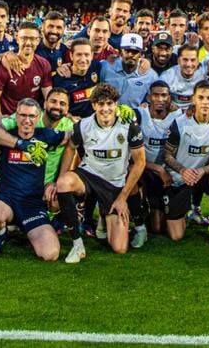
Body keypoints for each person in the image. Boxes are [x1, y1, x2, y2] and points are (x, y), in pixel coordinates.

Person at [56, 84, 146, 263]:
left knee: (119, 248)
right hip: (89, 176)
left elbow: (140, 162)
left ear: (116, 105)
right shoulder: (83, 126)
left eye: (110, 103)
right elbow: (70, 148)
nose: (105, 108)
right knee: (63, 184)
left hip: (114, 183)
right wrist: (61, 176)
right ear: (94, 105)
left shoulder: (129, 126)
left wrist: (122, 198)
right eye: (101, 104)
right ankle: (77, 244)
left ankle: (106, 219)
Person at [0, 98, 69, 260]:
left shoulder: (45, 135)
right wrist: (20, 144)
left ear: (38, 117)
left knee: (50, 254)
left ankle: (28, 231)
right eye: (22, 115)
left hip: (32, 204)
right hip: (7, 200)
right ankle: (0, 233)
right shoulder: (7, 135)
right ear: (16, 116)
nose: (27, 120)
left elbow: (73, 137)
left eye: (31, 116)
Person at [161, 81, 209, 248]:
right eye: (201, 98)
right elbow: (167, 155)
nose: (205, 102)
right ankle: (174, 210)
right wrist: (183, 170)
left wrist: (203, 170)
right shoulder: (180, 123)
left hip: (202, 175)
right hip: (179, 177)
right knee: (176, 235)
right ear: (194, 99)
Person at [137, 80, 177, 238]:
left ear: (169, 99)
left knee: (160, 228)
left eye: (164, 96)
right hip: (145, 170)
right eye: (156, 95)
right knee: (155, 226)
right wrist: (158, 169)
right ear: (149, 97)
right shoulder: (140, 115)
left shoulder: (178, 116)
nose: (160, 99)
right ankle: (139, 208)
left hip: (168, 173)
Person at [0, 20, 52, 119]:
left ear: (38, 41)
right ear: (17, 39)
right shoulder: (5, 65)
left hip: (30, 119)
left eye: (32, 39)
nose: (28, 43)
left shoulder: (43, 64)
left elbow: (48, 95)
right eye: (24, 38)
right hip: (7, 117)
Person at [102, 33, 159, 107]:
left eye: (135, 52)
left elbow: (155, 99)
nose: (130, 55)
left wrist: (146, 105)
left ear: (141, 54)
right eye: (127, 51)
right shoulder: (106, 67)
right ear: (120, 52)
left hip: (134, 116)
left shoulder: (150, 75)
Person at [53, 38, 100, 120]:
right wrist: (69, 116)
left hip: (94, 122)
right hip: (71, 124)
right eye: (79, 54)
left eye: (86, 55)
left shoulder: (97, 67)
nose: (83, 59)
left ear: (92, 55)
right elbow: (55, 106)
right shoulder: (61, 78)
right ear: (71, 56)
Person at [162, 43, 205, 109]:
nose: (189, 64)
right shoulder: (167, 76)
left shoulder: (204, 74)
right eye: (185, 60)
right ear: (178, 61)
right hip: (173, 112)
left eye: (193, 60)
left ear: (198, 61)